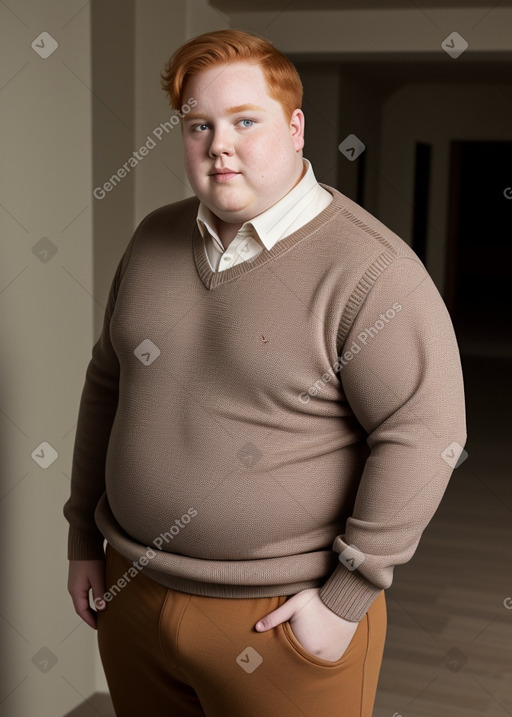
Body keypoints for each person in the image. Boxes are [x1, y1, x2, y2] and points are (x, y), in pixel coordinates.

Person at [64, 28, 467, 717]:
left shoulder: (372, 270)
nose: (220, 145)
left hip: (279, 621)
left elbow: (426, 434)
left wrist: (346, 599)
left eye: (245, 121)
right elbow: (109, 382)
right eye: (199, 125)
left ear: (296, 126)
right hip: (132, 592)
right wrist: (83, 539)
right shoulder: (153, 238)